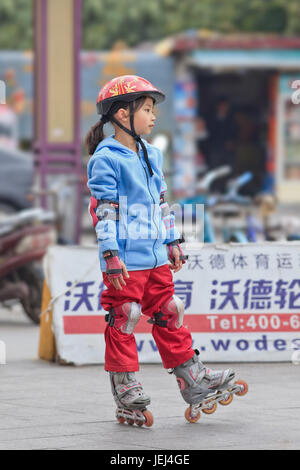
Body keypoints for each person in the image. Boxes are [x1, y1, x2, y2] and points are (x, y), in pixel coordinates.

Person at [86, 75, 235, 426]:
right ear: (123, 114)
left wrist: (172, 241)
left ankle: (192, 378)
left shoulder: (152, 153)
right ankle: (126, 386)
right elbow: (103, 209)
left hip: (155, 259)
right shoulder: (106, 159)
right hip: (125, 262)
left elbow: (162, 204)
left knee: (171, 310)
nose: (154, 117)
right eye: (148, 109)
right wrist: (110, 254)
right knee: (125, 315)